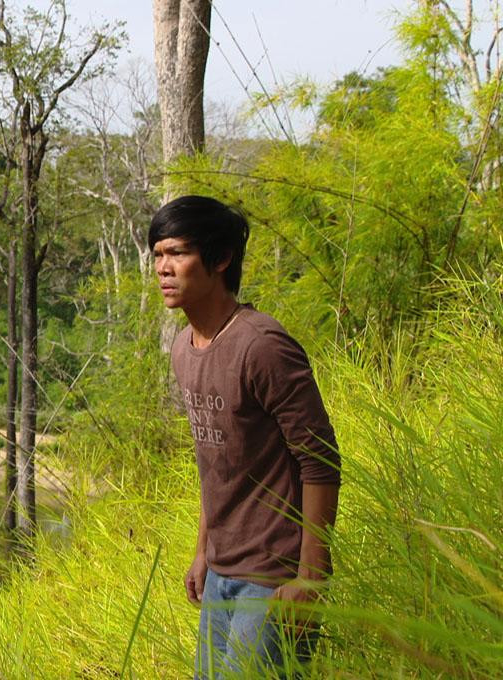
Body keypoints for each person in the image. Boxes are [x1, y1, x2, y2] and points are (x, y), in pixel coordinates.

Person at [149, 195, 341, 679]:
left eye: (177, 253)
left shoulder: (261, 345)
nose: (164, 268)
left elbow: (320, 460)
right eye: (157, 255)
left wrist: (310, 577)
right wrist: (202, 552)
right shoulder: (183, 349)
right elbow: (216, 463)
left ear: (220, 259)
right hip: (221, 571)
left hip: (273, 574)